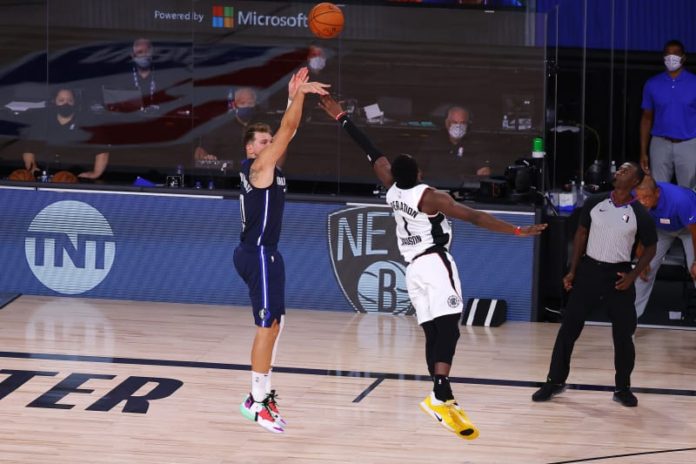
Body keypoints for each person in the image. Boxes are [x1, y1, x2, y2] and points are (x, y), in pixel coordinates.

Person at [319, 94, 546, 440]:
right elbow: (476, 217)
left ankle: (441, 394)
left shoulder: (391, 188)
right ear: (420, 173)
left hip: (411, 269)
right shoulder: (431, 198)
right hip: (434, 262)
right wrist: (517, 230)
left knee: (432, 332)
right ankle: (440, 393)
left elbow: (370, 149)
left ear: (395, 174)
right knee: (450, 328)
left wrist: (341, 117)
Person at [234, 68, 329, 434]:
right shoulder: (259, 168)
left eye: (268, 139)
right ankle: (256, 402)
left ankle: (262, 394)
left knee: (276, 324)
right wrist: (300, 95)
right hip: (256, 252)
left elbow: (287, 133)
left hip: (265, 252)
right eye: (263, 140)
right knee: (266, 324)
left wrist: (293, 99)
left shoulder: (269, 165)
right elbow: (288, 132)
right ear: (250, 148)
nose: (269, 143)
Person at [532, 162, 657, 407]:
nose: (620, 171)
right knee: (568, 329)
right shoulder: (594, 201)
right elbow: (580, 234)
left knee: (623, 335)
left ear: (634, 182)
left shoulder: (639, 213)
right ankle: (554, 381)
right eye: (619, 168)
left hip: (618, 275)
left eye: (626, 170)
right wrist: (572, 271)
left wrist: (632, 276)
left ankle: (622, 388)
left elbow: (651, 247)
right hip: (589, 270)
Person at [633, 176, 696, 319]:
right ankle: (629, 321)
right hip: (661, 229)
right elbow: (635, 225)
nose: (642, 201)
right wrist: (640, 253)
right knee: (643, 269)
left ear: (657, 193)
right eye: (639, 197)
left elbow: (695, 230)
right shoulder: (635, 197)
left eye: (647, 197)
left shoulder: (680, 200)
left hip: (689, 229)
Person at [640, 39, 696, 188]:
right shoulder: (652, 84)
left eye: (676, 54)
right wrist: (643, 152)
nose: (671, 58)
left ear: (683, 57)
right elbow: (646, 119)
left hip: (689, 143)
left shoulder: (694, 83)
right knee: (659, 189)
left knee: (689, 191)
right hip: (659, 143)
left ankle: (689, 213)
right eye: (667, 54)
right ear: (663, 57)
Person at [22, 88, 109, 180]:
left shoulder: (87, 122)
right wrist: (33, 171)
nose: (66, 104)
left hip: (76, 177)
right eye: (61, 100)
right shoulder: (43, 121)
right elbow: (29, 148)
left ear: (75, 102)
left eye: (70, 100)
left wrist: (96, 173)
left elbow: (102, 150)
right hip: (46, 175)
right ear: (54, 101)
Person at [194, 87, 260, 163]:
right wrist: (206, 157)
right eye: (242, 103)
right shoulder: (220, 126)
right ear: (234, 105)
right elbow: (201, 152)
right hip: (228, 172)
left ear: (255, 104)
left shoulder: (262, 125)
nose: (247, 106)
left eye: (250, 103)